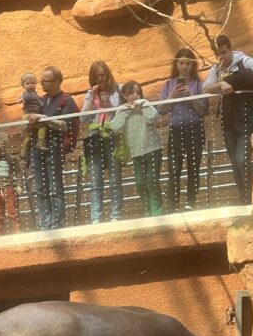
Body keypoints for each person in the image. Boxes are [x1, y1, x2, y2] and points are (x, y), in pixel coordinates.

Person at [203, 35, 253, 204]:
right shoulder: (216, 68)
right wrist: (221, 84)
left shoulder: (244, 61)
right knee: (235, 162)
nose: (221, 57)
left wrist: (234, 81)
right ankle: (245, 198)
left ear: (230, 48)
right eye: (218, 54)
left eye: (224, 52)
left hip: (247, 118)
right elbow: (206, 88)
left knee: (242, 158)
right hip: (228, 120)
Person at [26, 66, 79, 230]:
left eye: (45, 81)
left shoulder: (66, 101)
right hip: (37, 147)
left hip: (54, 148)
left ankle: (56, 223)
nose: (41, 83)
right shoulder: (41, 100)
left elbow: (64, 125)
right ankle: (44, 223)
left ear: (57, 82)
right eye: (41, 80)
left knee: (56, 187)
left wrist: (44, 118)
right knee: (41, 189)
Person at [159, 48, 208, 212]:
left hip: (195, 128)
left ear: (192, 65)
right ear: (176, 64)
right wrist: (171, 96)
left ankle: (190, 204)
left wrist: (190, 96)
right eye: (181, 63)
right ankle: (173, 206)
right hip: (176, 129)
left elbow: (203, 110)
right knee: (174, 169)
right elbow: (161, 110)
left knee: (193, 168)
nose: (184, 66)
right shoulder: (168, 84)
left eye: (188, 63)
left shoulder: (199, 84)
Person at [110, 81, 163, 217]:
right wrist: (127, 111)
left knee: (152, 181)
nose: (134, 95)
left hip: (153, 149)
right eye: (131, 92)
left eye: (137, 92)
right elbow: (115, 127)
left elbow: (152, 117)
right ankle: (148, 210)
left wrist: (142, 106)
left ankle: (157, 211)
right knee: (140, 183)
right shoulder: (122, 109)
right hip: (136, 153)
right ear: (124, 95)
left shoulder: (145, 104)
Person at [80, 60, 123, 224]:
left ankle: (115, 216)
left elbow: (122, 113)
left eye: (102, 75)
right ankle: (96, 218)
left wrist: (110, 106)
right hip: (94, 137)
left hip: (112, 135)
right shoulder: (90, 94)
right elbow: (83, 118)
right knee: (96, 181)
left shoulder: (117, 90)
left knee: (115, 179)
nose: (100, 78)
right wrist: (91, 98)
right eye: (96, 76)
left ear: (108, 75)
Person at [0, 131, 22, 237]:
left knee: (12, 210)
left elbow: (19, 172)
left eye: (1, 148)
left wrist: (19, 185)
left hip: (9, 188)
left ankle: (17, 229)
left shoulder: (11, 159)